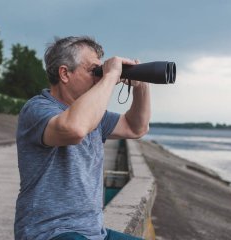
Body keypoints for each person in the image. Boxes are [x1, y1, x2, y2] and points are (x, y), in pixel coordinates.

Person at [14, 36, 151, 240]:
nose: (98, 77)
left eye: (99, 71)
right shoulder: (37, 109)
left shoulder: (95, 117)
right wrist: (110, 76)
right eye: (92, 70)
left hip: (94, 232)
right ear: (65, 73)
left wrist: (141, 86)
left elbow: (136, 127)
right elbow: (75, 129)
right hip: (49, 232)